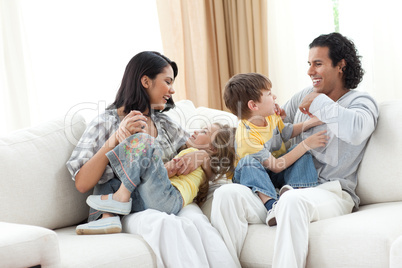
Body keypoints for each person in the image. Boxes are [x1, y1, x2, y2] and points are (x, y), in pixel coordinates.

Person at [210, 32, 379, 268]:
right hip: (280, 190)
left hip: (331, 191)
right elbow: (271, 129)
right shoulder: (303, 96)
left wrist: (318, 101)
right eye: (309, 64)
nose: (310, 71)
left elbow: (357, 130)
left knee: (292, 200)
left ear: (341, 66)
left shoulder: (360, 102)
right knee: (225, 195)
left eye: (317, 64)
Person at [66, 51, 236, 267]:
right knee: (165, 225)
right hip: (130, 206)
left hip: (163, 195)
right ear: (146, 81)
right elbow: (82, 183)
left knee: (198, 223)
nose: (172, 90)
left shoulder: (166, 124)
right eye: (167, 82)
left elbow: (216, 160)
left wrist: (201, 156)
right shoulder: (105, 123)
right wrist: (115, 139)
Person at [80, 122, 231, 232]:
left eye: (204, 131)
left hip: (168, 197)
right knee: (109, 180)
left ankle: (121, 197)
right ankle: (106, 219)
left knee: (145, 141)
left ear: (213, 148)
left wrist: (154, 163)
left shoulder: (192, 154)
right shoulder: (203, 165)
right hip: (154, 202)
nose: (197, 131)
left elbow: (171, 169)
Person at [223, 72, 327, 225]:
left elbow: (285, 132)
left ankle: (296, 194)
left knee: (301, 155)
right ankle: (272, 206)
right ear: (253, 105)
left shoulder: (269, 115)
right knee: (248, 162)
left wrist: (311, 123)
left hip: (272, 171)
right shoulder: (247, 138)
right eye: (269, 94)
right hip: (254, 175)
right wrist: (306, 144)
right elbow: (277, 166)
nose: (275, 97)